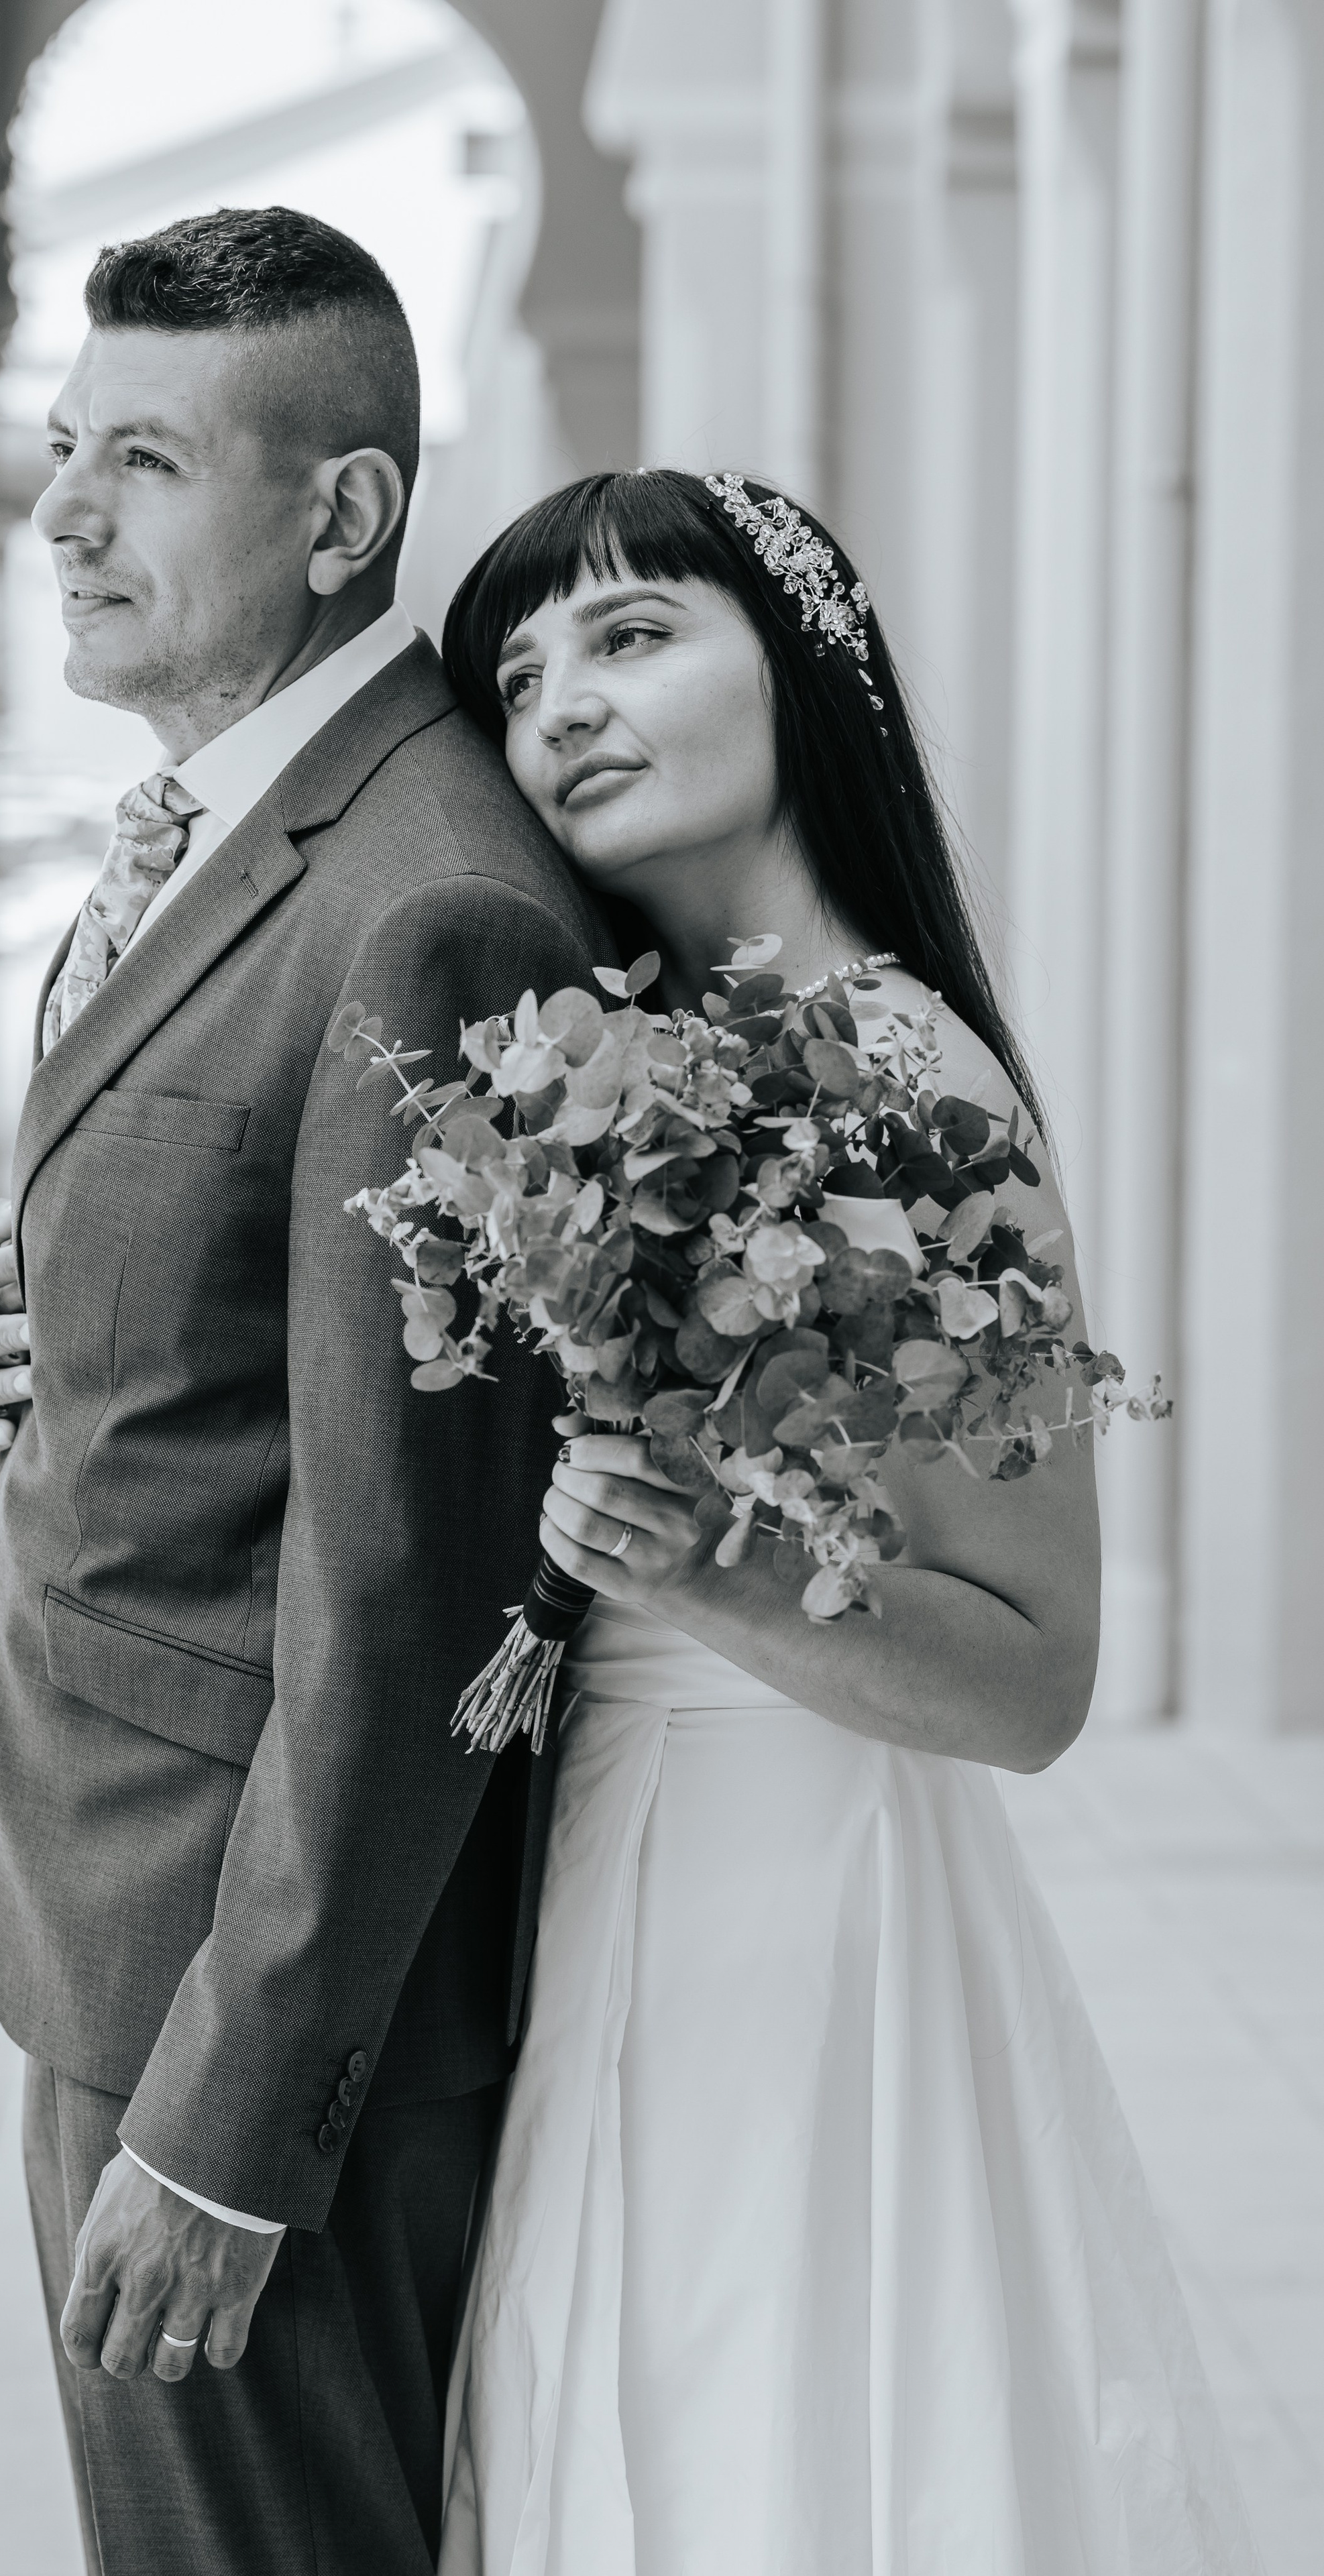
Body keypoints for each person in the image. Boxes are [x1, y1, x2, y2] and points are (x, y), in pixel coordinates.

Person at [434, 470, 1263, 2575]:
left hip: (797, 1906)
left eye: (633, 637)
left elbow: (1035, 1678)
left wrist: (692, 1558)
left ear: (801, 662)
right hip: (617, 1859)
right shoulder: (611, 1051)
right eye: (521, 676)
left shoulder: (911, 1086)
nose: (562, 712)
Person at [0, 209, 602, 2576]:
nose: (67, 517)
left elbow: (416, 1591)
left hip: (251, 1994)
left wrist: (227, 2116)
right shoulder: (226, 827)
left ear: (341, 519)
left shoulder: (428, 900)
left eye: (147, 463)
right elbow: (213, 1326)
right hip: (116, 1903)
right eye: (67, 452)